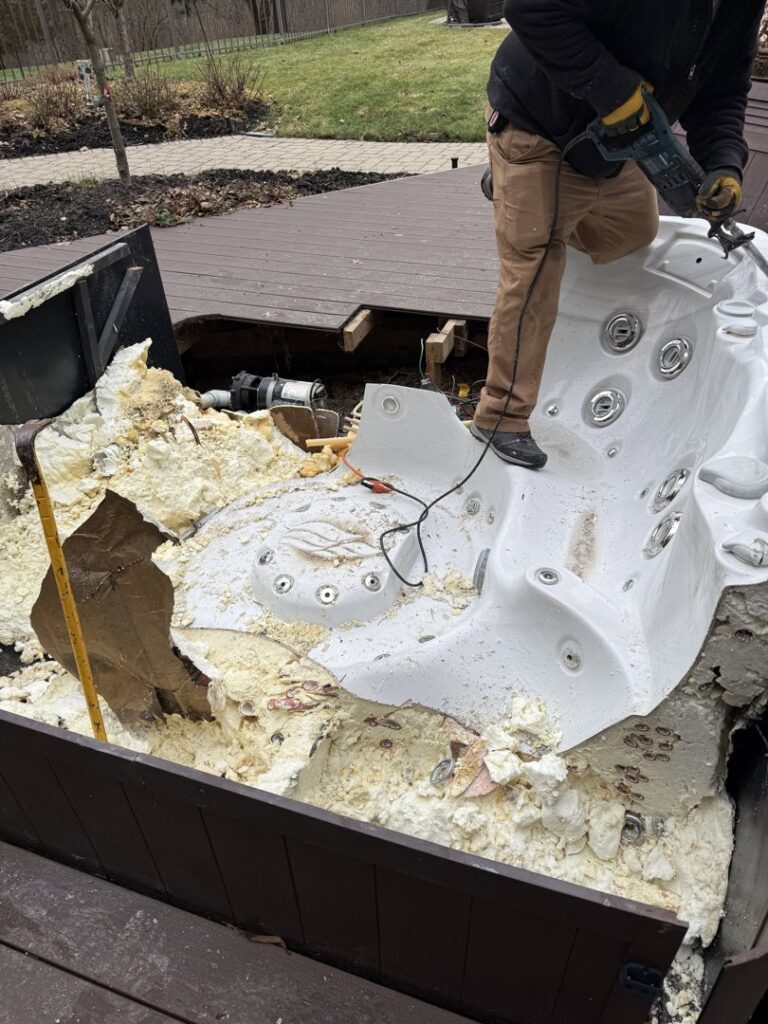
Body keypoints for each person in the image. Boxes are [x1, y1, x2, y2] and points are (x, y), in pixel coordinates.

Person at [472, 0, 766, 469]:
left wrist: (725, 163)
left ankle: (518, 197)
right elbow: (529, 9)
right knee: (535, 266)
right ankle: (500, 415)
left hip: (609, 142)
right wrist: (615, 92)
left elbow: (723, 88)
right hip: (538, 121)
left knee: (634, 232)